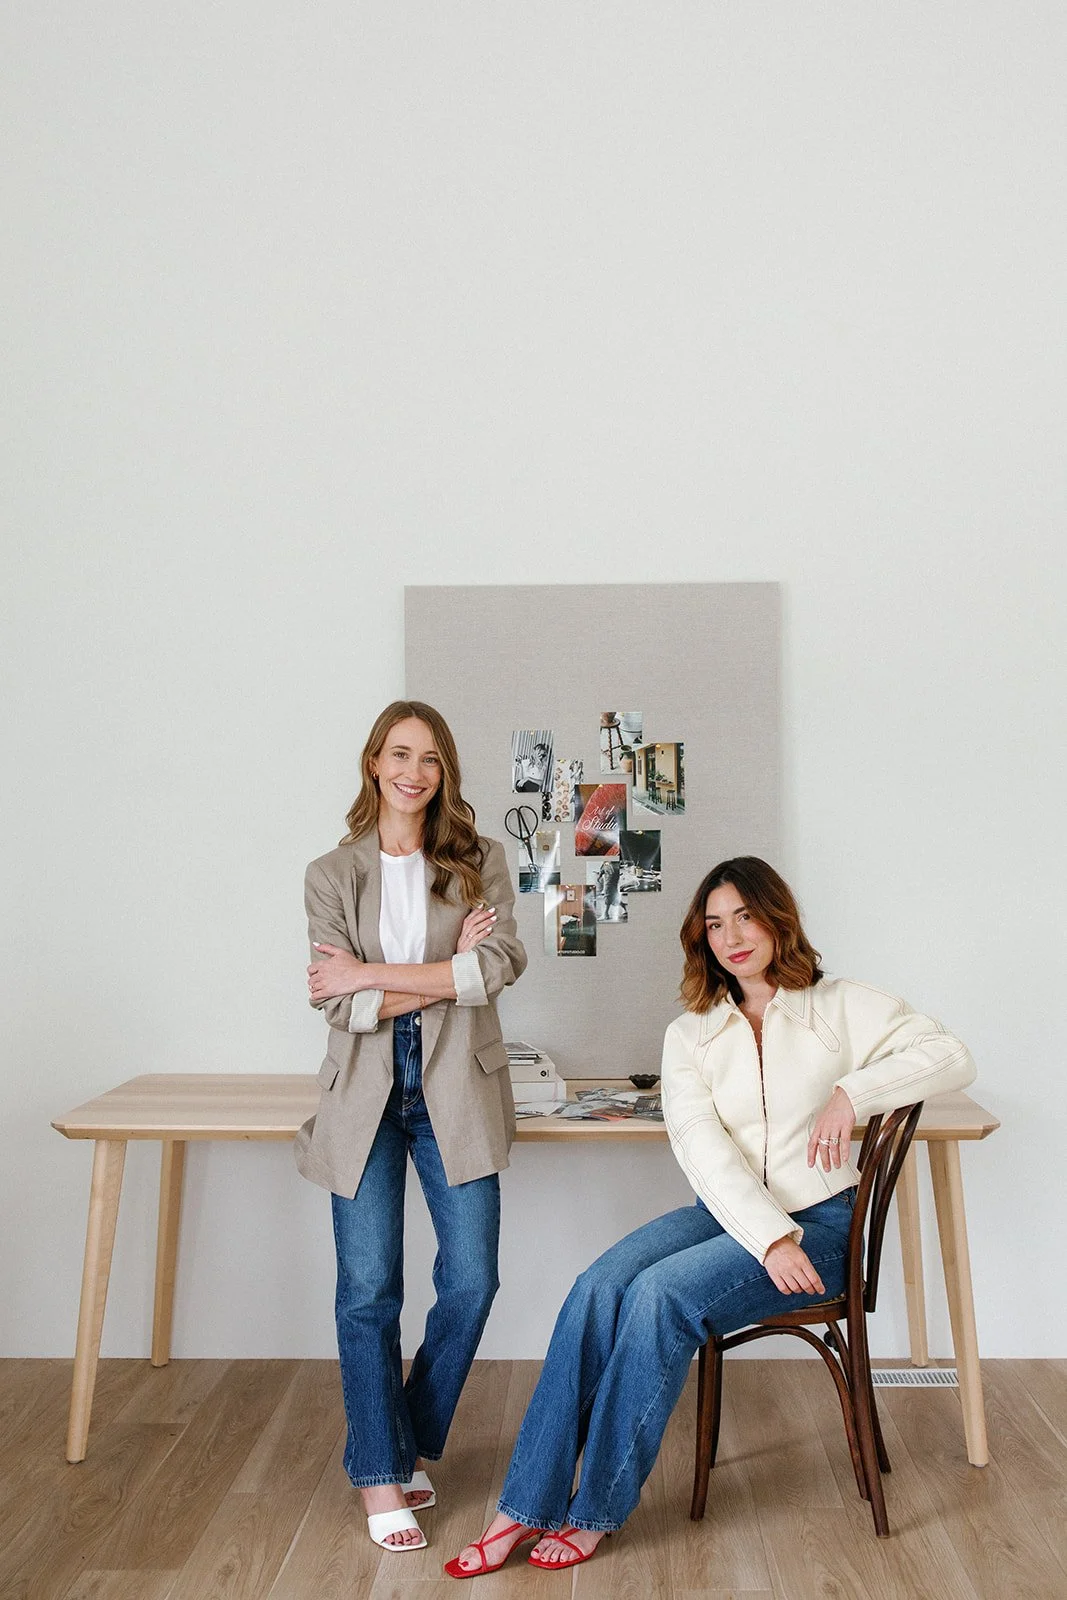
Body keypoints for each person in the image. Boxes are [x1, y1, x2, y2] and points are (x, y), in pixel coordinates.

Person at [446, 856, 976, 1577]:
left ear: (775, 916)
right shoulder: (689, 1034)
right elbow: (702, 1151)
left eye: (744, 917)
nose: (731, 936)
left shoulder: (841, 1005)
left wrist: (853, 1092)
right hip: (736, 1219)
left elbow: (950, 1054)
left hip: (823, 1228)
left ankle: (593, 1511)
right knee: (598, 1285)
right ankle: (521, 1506)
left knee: (660, 1298)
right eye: (714, 924)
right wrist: (767, 1236)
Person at [297, 700, 527, 1553]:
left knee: (471, 1279)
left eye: (429, 758)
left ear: (444, 772)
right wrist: (442, 972)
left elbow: (499, 965)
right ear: (373, 763)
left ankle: (400, 1437)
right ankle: (381, 1478)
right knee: (367, 1294)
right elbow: (334, 1000)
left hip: (454, 1094)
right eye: (399, 754)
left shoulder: (478, 861)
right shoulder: (330, 873)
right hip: (362, 1096)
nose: (414, 771)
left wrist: (376, 974)